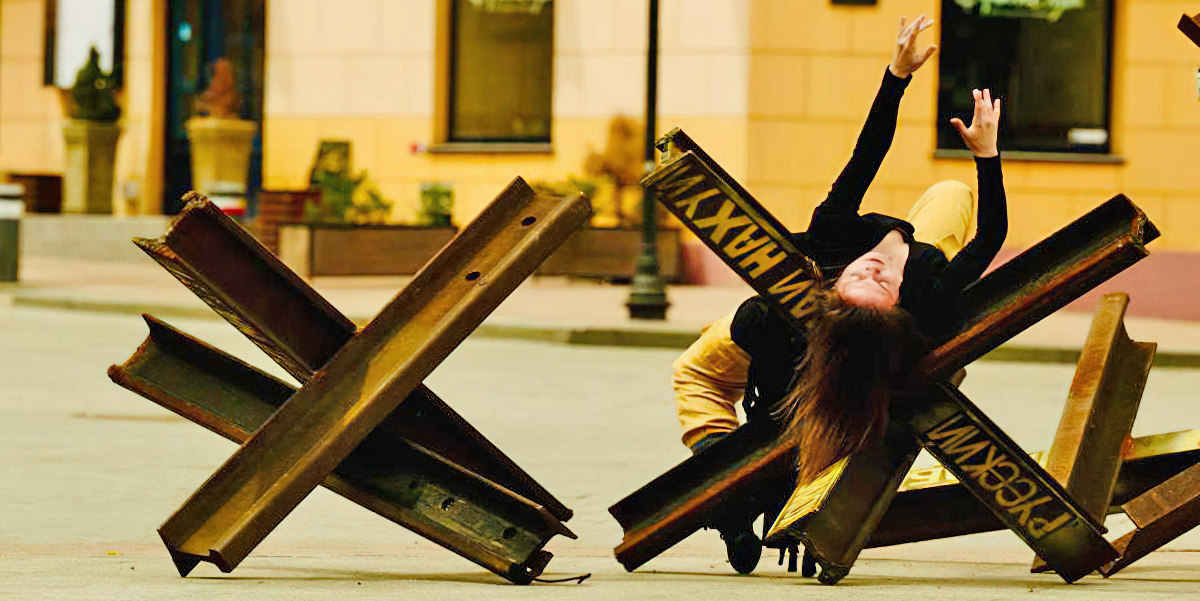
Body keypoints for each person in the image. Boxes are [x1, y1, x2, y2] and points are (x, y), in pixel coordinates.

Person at [672, 15, 1008, 573]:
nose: (873, 270)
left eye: (863, 279)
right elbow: (987, 233)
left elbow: (864, 163)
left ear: (833, 286)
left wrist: (896, 77)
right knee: (953, 191)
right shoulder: (923, 288)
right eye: (877, 280)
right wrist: (983, 152)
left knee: (694, 372)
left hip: (789, 324)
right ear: (897, 302)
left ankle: (727, 494)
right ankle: (733, 502)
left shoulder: (830, 242)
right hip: (838, 319)